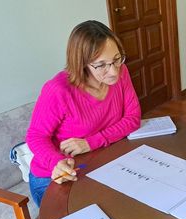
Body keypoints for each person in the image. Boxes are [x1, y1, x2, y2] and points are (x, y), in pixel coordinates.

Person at [26, 20, 141, 207]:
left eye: (117, 59)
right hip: (55, 176)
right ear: (83, 64)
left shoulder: (121, 72)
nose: (113, 71)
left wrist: (91, 142)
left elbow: (133, 119)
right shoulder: (58, 90)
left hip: (96, 161)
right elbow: (36, 136)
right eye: (101, 65)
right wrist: (57, 162)